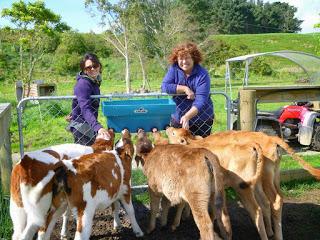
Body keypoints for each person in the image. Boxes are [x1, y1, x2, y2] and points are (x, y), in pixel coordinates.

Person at [161, 42, 214, 137]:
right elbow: (165, 86)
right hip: (178, 118)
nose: (184, 61)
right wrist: (184, 88)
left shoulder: (202, 74)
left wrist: (187, 116)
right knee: (179, 149)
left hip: (201, 119)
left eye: (187, 58)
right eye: (181, 58)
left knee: (199, 148)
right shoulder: (174, 69)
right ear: (177, 60)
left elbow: (201, 100)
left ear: (194, 58)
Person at [67, 53, 110, 145]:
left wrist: (73, 113)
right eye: (88, 67)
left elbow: (81, 101)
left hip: (88, 124)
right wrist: (98, 127)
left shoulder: (94, 81)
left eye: (95, 66)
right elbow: (85, 107)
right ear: (84, 70)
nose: (93, 69)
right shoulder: (83, 83)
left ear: (99, 66)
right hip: (82, 128)